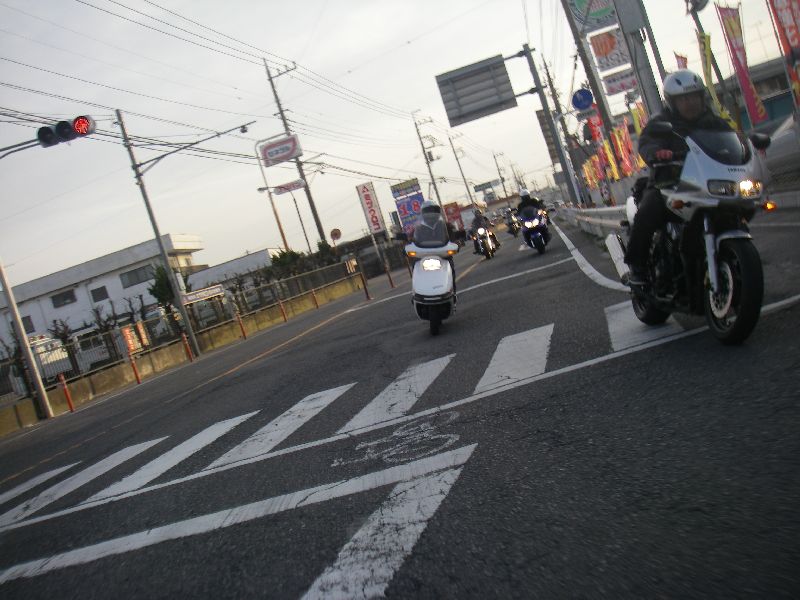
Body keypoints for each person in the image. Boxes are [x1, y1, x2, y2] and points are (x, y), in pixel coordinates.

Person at [625, 69, 735, 286]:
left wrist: (746, 146)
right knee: (647, 211)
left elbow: (733, 141)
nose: (690, 103)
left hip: (707, 183)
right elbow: (647, 142)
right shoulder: (661, 123)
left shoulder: (714, 122)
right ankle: (637, 267)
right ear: (672, 102)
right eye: (683, 99)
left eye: (693, 96)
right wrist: (657, 153)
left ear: (701, 97)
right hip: (669, 183)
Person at [412, 200, 456, 291]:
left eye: (433, 210)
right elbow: (411, 240)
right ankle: (417, 292)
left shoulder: (445, 225)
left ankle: (452, 289)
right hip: (423, 255)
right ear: (423, 214)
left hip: (442, 254)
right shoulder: (419, 228)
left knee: (450, 266)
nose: (431, 214)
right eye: (428, 211)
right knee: (415, 266)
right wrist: (407, 246)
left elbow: (453, 236)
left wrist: (456, 242)